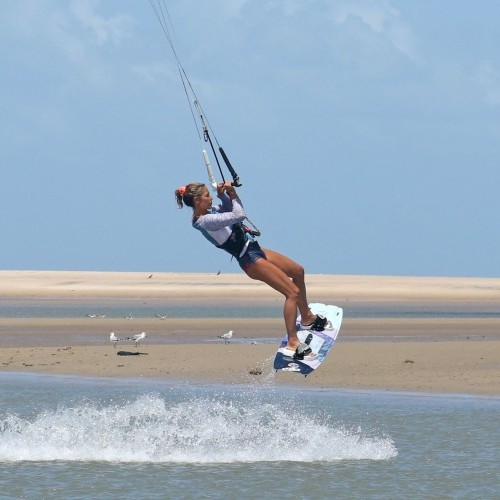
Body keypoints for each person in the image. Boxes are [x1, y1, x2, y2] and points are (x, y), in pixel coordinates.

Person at [175, 181, 327, 360]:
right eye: (207, 196)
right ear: (197, 201)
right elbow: (238, 215)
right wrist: (232, 194)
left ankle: (307, 317)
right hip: (250, 259)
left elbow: (225, 207)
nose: (210, 198)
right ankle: (292, 342)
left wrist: (224, 194)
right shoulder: (206, 221)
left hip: (255, 249)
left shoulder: (210, 212)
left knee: (298, 271)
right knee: (292, 293)